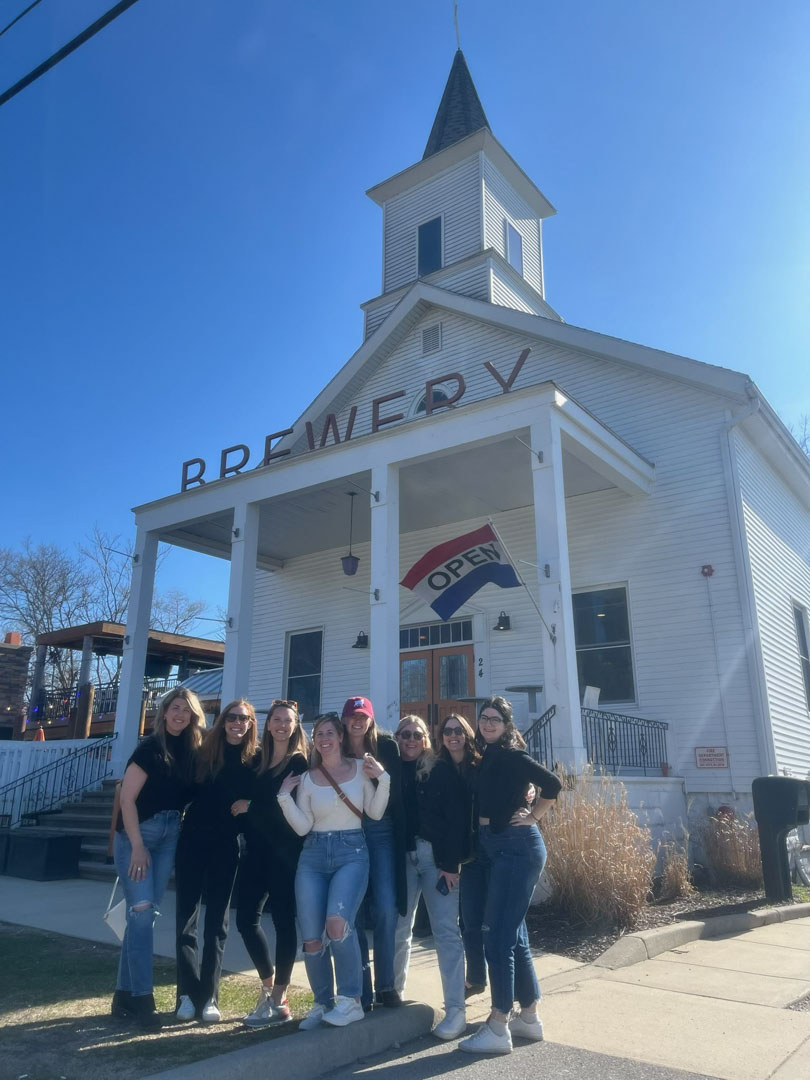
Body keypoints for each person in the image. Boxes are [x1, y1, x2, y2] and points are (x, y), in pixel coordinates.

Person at [458, 696, 562, 1056]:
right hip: (496, 845)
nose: (487, 724)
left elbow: (552, 783)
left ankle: (499, 1024)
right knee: (514, 934)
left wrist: (534, 815)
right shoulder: (487, 755)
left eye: (495, 720)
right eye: (484, 718)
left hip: (516, 846)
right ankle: (529, 1018)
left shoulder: (510, 755)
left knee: (497, 935)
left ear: (506, 725)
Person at [277, 712, 390, 1029]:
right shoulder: (309, 778)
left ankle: (351, 1000)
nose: (324, 738)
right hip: (312, 855)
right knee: (312, 939)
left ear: (340, 737)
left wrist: (385, 779)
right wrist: (284, 797)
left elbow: (375, 812)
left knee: (338, 926)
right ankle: (322, 1003)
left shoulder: (359, 770)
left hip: (351, 852)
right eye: (318, 734)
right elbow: (303, 828)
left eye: (329, 732)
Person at [111, 687, 205, 1031]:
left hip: (169, 836)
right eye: (174, 708)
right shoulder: (150, 749)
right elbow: (127, 799)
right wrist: (136, 845)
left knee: (144, 917)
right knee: (139, 915)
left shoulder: (194, 752)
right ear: (164, 713)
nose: (180, 714)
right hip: (139, 836)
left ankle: (123, 994)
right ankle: (142, 1000)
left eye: (186, 710)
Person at [174, 699, 257, 1023]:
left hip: (226, 845)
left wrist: (250, 802)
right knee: (186, 918)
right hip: (193, 841)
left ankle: (209, 996)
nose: (237, 722)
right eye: (232, 717)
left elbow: (266, 794)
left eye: (244, 718)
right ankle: (186, 994)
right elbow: (181, 789)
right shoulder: (204, 753)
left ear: (251, 724)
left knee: (217, 924)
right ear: (223, 721)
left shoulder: (255, 759)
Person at [392, 715, 470, 1041]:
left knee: (446, 933)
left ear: (426, 739)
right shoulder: (392, 770)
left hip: (436, 859)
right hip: (404, 859)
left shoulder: (439, 770)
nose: (411, 739)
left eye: (417, 734)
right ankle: (393, 994)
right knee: (399, 928)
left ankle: (456, 1011)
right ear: (397, 738)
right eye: (405, 734)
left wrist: (451, 864)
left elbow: (457, 818)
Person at [238, 699, 308, 1027]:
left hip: (286, 854)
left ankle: (280, 999)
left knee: (283, 922)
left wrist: (251, 806)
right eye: (276, 720)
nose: (281, 725)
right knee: (245, 921)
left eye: (287, 721)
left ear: (295, 726)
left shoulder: (299, 764)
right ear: (268, 725)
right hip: (255, 853)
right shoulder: (257, 762)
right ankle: (269, 990)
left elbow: (287, 813)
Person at [340, 695, 406, 1009]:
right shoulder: (335, 748)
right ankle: (361, 990)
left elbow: (399, 793)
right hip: (347, 830)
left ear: (370, 719)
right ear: (344, 720)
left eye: (363, 716)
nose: (357, 721)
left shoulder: (387, 747)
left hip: (380, 832)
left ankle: (386, 986)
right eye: (352, 716)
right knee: (352, 911)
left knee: (385, 907)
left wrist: (379, 776)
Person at [436, 712, 485, 998]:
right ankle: (475, 978)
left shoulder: (480, 765)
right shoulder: (438, 767)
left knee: (482, 918)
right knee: (467, 918)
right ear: (441, 737)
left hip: (483, 847)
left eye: (458, 730)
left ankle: (493, 978)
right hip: (455, 851)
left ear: (467, 734)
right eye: (447, 731)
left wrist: (525, 793)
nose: (453, 735)